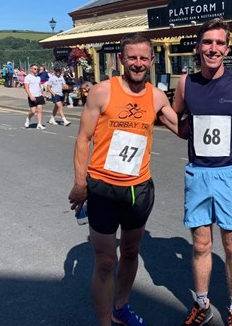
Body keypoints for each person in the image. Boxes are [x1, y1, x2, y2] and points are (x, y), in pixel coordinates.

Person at [68, 33, 180, 326]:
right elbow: (83, 140)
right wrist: (80, 184)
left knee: (130, 252)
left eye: (144, 58)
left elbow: (183, 129)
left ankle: (121, 307)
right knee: (105, 262)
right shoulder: (101, 92)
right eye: (132, 57)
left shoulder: (156, 96)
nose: (138, 63)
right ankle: (105, 322)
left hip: (138, 190)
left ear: (152, 60)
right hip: (103, 188)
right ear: (121, 59)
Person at [172, 18, 232, 326]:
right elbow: (181, 126)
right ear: (198, 47)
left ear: (227, 47)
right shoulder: (185, 83)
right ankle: (202, 305)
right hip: (198, 173)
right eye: (207, 42)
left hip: (229, 174)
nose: (213, 48)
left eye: (220, 43)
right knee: (200, 244)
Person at [24, 64, 46, 130]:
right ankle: (28, 118)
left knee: (40, 109)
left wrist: (42, 94)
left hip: (39, 95)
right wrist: (30, 96)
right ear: (31, 69)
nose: (36, 70)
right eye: (35, 69)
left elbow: (39, 86)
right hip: (32, 96)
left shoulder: (38, 77)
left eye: (37, 69)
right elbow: (26, 87)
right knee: (33, 111)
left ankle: (39, 124)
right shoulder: (28, 77)